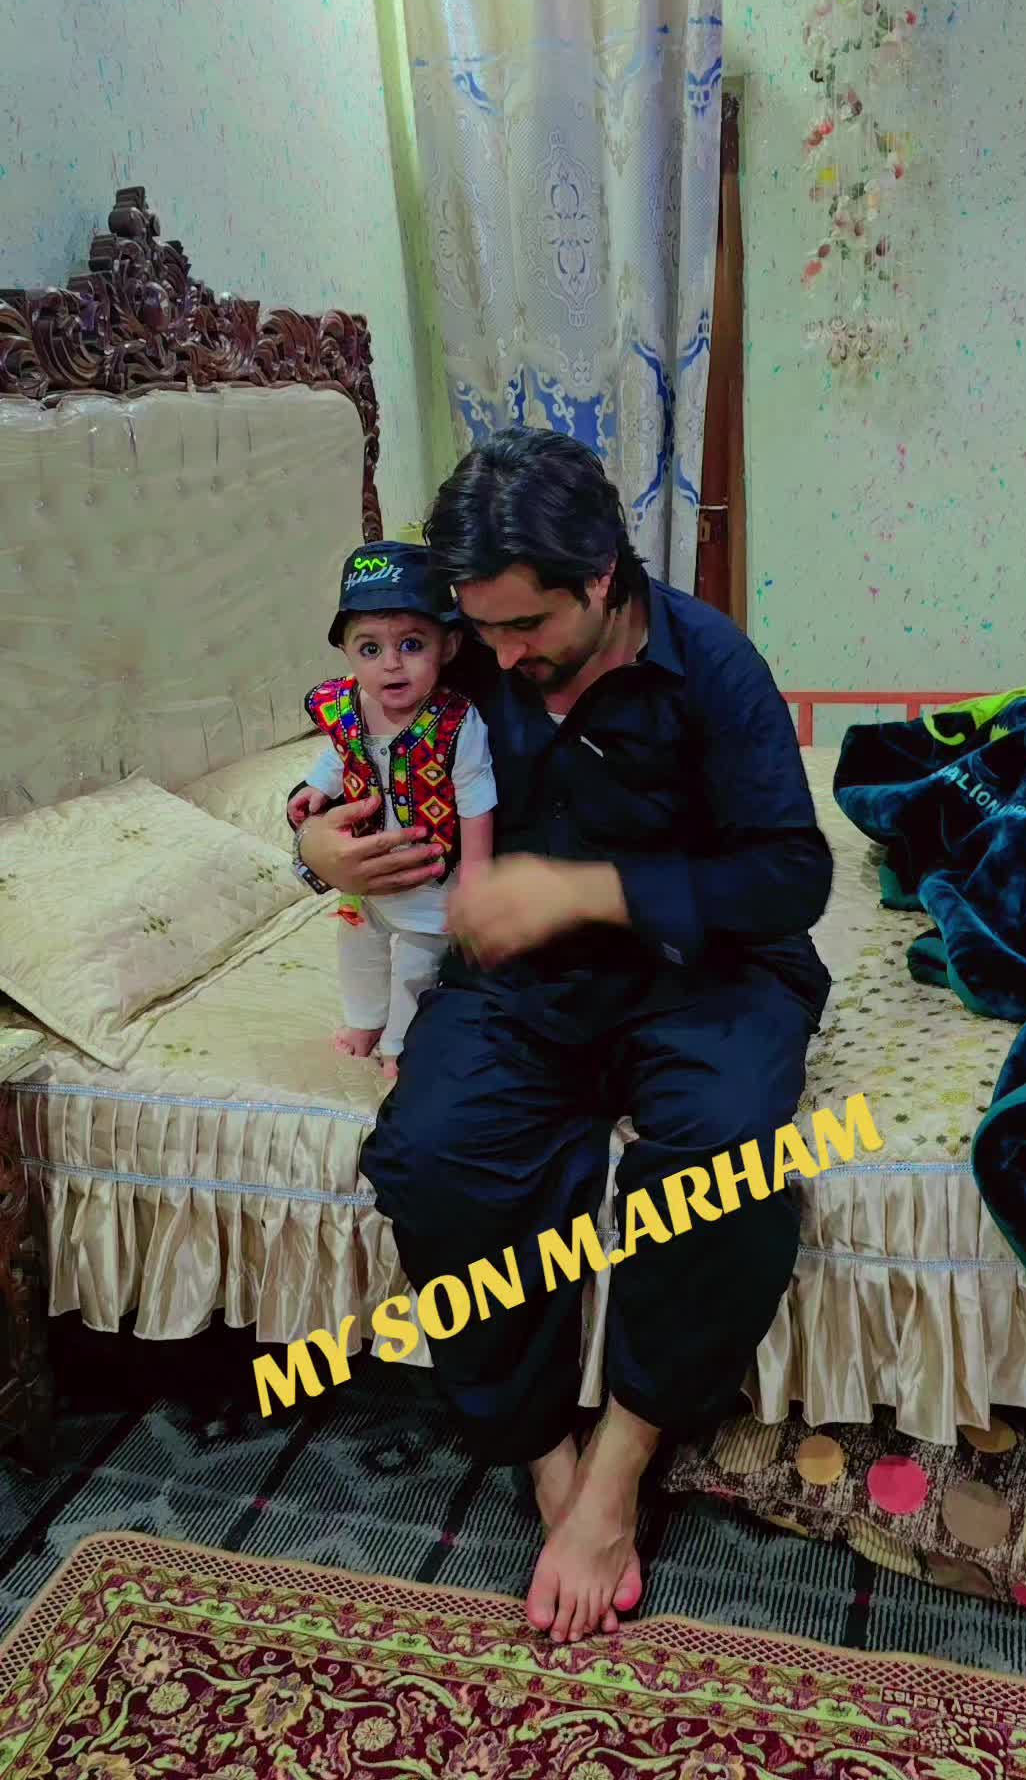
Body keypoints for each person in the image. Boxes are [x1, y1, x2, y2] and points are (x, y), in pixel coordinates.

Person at [292, 432, 833, 1643]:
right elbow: (351, 760)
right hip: (524, 980)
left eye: (525, 627)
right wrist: (315, 843)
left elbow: (792, 877)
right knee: (432, 1156)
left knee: (728, 1161)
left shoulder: (711, 666)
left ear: (599, 578)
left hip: (706, 973)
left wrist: (590, 889)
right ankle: (546, 1455)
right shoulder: (470, 649)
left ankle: (623, 1461)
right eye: (475, 630)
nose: (496, 656)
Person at [288, 541, 496, 1081]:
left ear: (449, 646)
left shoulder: (457, 722)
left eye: (411, 644)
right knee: (357, 944)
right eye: (370, 648)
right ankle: (364, 1021)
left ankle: (401, 1043)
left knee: (417, 963)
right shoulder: (348, 708)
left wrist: (476, 874)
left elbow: (476, 799)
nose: (391, 664)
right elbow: (341, 753)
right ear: (346, 652)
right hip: (364, 865)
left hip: (429, 869)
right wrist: (316, 789)